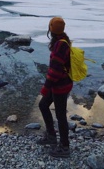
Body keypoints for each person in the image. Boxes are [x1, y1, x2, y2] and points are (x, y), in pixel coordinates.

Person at [37, 16, 72, 158]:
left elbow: (55, 71)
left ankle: (64, 147)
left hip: (60, 86)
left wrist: (46, 87)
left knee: (60, 115)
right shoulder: (62, 41)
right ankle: (51, 136)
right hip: (60, 84)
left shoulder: (60, 45)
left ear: (51, 30)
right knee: (43, 105)